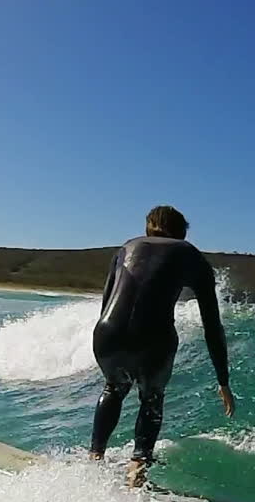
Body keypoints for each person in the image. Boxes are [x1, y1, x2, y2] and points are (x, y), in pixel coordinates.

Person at [88, 205, 234, 487]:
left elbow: (106, 301)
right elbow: (212, 325)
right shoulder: (191, 255)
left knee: (113, 388)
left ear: (149, 227)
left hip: (106, 334)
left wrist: (111, 345)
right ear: (182, 232)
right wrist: (223, 380)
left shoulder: (127, 248)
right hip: (153, 340)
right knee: (151, 398)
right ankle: (137, 471)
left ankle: (94, 460)